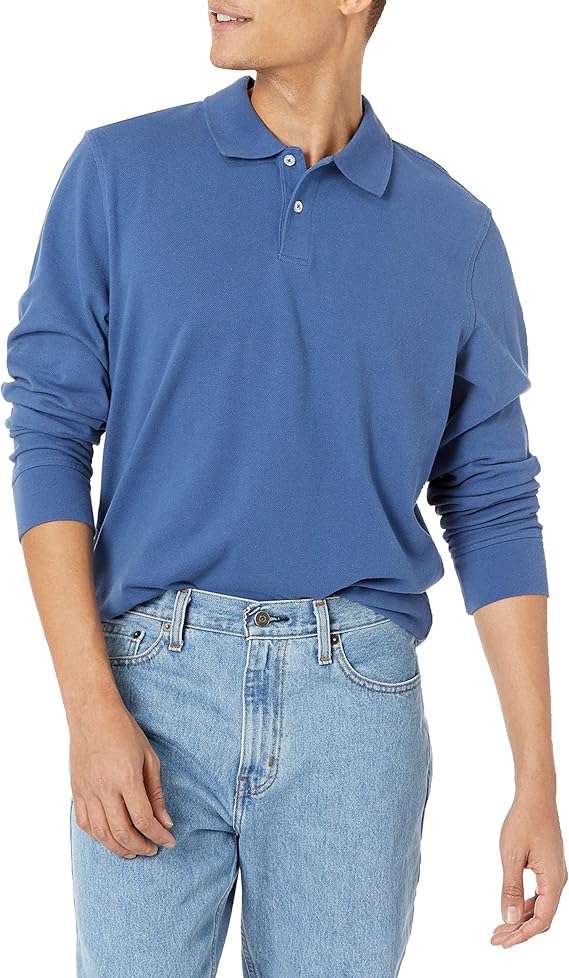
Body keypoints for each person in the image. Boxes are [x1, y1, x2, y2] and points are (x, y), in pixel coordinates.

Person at [2, 1, 566, 975]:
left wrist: (535, 781)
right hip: (150, 682)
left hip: (355, 705)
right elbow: (48, 432)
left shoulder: (453, 232)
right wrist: (90, 708)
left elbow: (491, 501)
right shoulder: (119, 172)